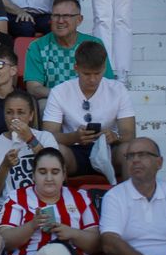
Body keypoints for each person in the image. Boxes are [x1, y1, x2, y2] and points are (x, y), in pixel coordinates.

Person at [0, 146, 106, 255]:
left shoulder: (80, 197)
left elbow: (96, 243)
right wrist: (31, 226)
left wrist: (72, 233)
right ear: (33, 175)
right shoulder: (17, 197)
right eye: (42, 172)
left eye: (55, 172)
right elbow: (4, 241)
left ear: (64, 174)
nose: (49, 178)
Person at [41, 40, 136, 179]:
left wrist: (115, 138)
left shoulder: (118, 90)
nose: (92, 79)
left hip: (109, 150)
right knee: (54, 153)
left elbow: (130, 134)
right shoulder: (60, 92)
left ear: (104, 68)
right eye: (86, 74)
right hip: (74, 151)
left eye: (97, 73)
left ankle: (129, 199)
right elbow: (48, 135)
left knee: (129, 150)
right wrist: (74, 137)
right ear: (76, 68)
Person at [23, 0, 113, 99]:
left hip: (90, 99)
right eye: (56, 15)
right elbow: (34, 88)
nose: (60, 21)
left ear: (79, 19)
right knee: (43, 105)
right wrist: (65, 97)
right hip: (54, 102)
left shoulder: (93, 44)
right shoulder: (37, 47)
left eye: (66, 16)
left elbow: (108, 83)